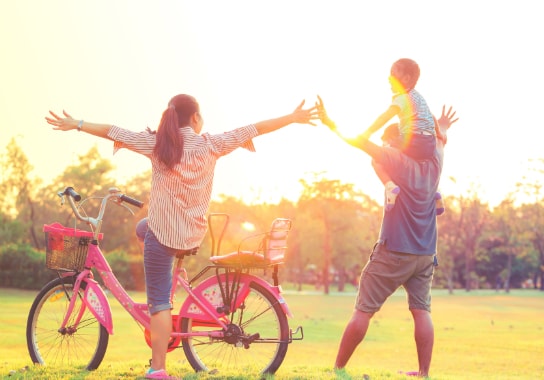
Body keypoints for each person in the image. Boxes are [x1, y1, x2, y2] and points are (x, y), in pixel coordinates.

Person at [45, 94, 318, 380]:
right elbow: (254, 129)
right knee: (142, 227)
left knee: (159, 304)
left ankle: (157, 369)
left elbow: (114, 131)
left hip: (163, 238)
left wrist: (76, 123)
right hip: (191, 236)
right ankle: (177, 273)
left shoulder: (159, 144)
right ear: (196, 118)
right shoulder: (212, 144)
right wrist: (291, 117)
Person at [317, 96, 457, 378]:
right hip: (425, 254)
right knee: (422, 311)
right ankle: (424, 372)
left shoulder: (396, 160)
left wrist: (330, 122)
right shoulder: (435, 163)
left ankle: (338, 369)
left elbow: (358, 142)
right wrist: (442, 127)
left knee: (363, 310)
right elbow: (441, 142)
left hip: (394, 251)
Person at [363, 58, 443, 212]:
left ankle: (390, 187)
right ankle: (436, 193)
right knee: (421, 167)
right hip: (429, 144)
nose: (389, 78)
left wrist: (367, 133)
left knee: (379, 158)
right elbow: (432, 116)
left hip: (414, 141)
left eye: (393, 74)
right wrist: (439, 134)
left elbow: (384, 117)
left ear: (406, 79)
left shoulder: (402, 99)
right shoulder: (418, 97)